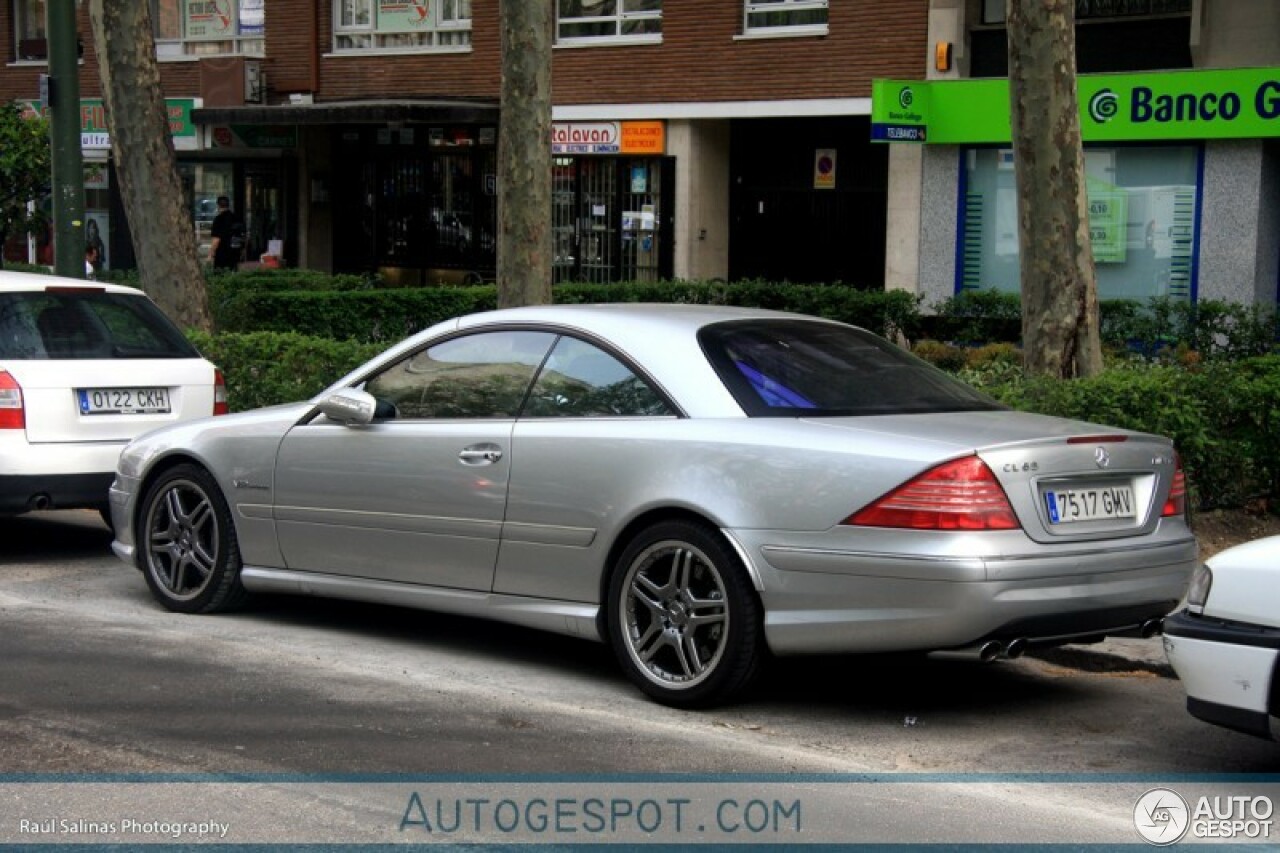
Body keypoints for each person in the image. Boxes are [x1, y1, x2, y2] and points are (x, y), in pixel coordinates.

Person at [208, 196, 244, 270]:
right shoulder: (236, 218)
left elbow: (216, 240)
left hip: (222, 254)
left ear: (218, 205)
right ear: (228, 205)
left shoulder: (218, 219)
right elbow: (242, 237)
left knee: (220, 275)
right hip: (234, 254)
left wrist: (210, 254)